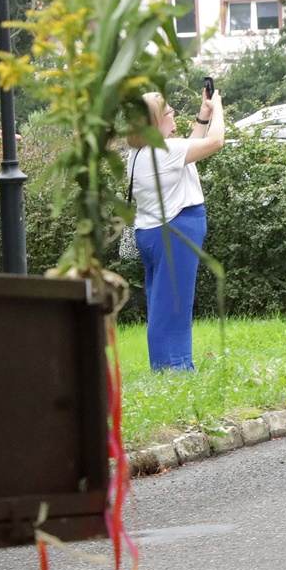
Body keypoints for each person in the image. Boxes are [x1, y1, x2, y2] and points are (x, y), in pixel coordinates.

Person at [127, 87, 225, 370]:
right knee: (175, 305)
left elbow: (190, 149)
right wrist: (218, 107)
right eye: (169, 112)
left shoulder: (140, 153)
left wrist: (203, 116)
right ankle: (177, 369)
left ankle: (164, 365)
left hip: (154, 232)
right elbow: (216, 142)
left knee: (163, 303)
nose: (174, 116)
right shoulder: (164, 152)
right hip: (174, 232)